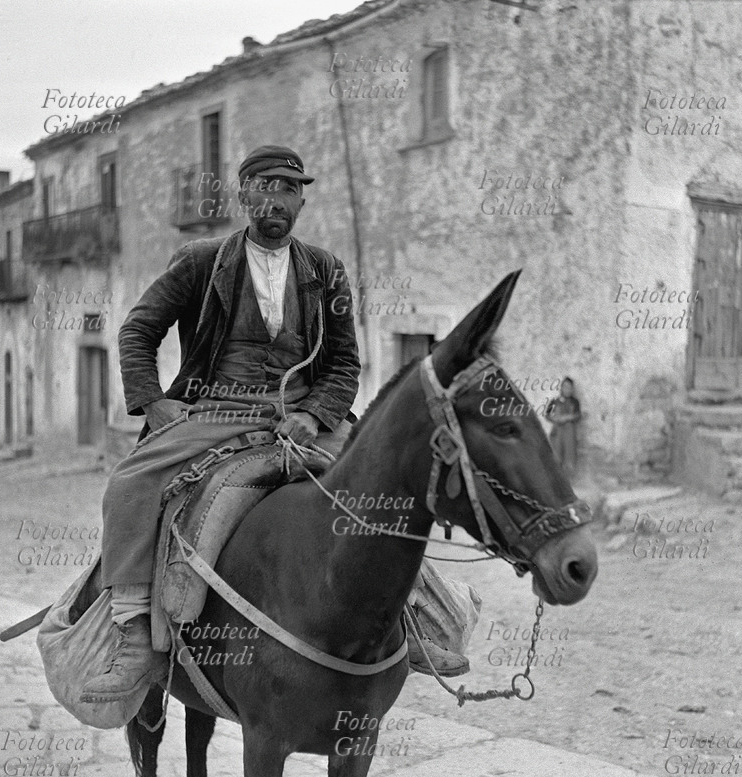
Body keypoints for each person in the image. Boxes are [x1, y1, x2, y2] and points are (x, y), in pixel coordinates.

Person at [81, 145, 466, 704]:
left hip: (302, 418)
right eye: (265, 187)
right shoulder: (200, 261)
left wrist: (314, 414)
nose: (276, 201)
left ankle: (420, 614)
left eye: (289, 190)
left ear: (301, 201)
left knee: (387, 484)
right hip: (215, 411)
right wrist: (155, 404)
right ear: (243, 196)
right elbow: (137, 331)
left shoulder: (325, 271)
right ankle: (136, 633)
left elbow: (342, 365)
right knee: (129, 487)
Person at [545, 377, 581, 479]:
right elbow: (547, 415)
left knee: (569, 457)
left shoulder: (575, 402)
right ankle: (556, 480)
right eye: (566, 387)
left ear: (572, 389)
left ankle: (568, 481)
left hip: (569, 433)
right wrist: (556, 419)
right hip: (557, 432)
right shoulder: (554, 401)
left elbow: (578, 415)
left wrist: (568, 417)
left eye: (570, 388)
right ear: (561, 388)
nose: (568, 389)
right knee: (556, 456)